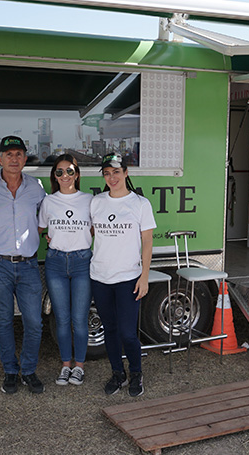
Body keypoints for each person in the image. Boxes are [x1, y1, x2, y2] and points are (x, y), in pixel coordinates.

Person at [0, 136, 47, 394]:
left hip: (28, 265)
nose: (14, 159)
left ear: (25, 159)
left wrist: (38, 235)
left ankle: (28, 370)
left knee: (34, 321)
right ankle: (11, 371)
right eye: (9, 154)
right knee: (3, 320)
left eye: (19, 154)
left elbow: (46, 217)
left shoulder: (36, 187)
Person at [90, 152, 155, 397]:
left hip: (128, 278)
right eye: (107, 173)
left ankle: (136, 373)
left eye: (116, 172)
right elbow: (90, 232)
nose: (112, 177)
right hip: (100, 277)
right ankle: (118, 374)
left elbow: (147, 241)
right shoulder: (96, 202)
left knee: (128, 332)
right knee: (111, 330)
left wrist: (144, 276)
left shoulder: (140, 204)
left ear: (126, 173)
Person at [37, 154, 92, 386]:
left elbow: (99, 227)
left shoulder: (89, 200)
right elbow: (40, 227)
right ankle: (65, 365)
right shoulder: (49, 201)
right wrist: (48, 236)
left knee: (79, 319)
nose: (65, 176)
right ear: (54, 176)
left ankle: (79, 367)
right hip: (56, 262)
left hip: (82, 262)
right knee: (61, 319)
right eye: (59, 172)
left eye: (69, 171)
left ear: (77, 174)